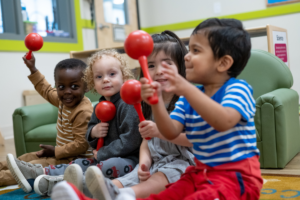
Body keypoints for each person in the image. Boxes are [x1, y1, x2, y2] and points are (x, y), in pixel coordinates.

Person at [53, 18, 264, 200]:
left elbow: (224, 122)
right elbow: (170, 131)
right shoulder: (187, 100)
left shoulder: (237, 89)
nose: (187, 57)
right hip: (200, 171)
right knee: (164, 196)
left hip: (237, 176)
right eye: (189, 50)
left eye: (196, 51)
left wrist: (186, 90)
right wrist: (154, 102)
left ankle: (125, 194)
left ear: (223, 63)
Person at [51, 31, 195, 200]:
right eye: (151, 65)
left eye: (167, 63)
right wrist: (144, 163)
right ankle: (89, 193)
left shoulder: (189, 100)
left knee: (160, 178)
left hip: (184, 162)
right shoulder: (147, 104)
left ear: (181, 66)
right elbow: (146, 142)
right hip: (155, 161)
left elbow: (195, 140)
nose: (159, 71)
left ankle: (125, 195)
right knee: (126, 179)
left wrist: (160, 132)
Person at [14, 49, 143, 197]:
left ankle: (59, 183)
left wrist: (103, 153)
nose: (105, 79)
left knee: (107, 166)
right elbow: (90, 135)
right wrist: (93, 132)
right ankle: (39, 172)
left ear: (124, 76)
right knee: (77, 165)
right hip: (99, 157)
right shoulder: (99, 106)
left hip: (129, 160)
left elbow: (131, 141)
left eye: (112, 74)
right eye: (99, 76)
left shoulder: (128, 104)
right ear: (93, 83)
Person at [4, 54, 94, 193]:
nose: (67, 92)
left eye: (74, 86)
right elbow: (46, 90)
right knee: (25, 158)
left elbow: (81, 145)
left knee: (31, 167)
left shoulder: (83, 111)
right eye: (61, 87)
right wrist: (33, 69)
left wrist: (55, 151)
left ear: (86, 86)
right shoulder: (62, 99)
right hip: (59, 153)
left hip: (73, 161)